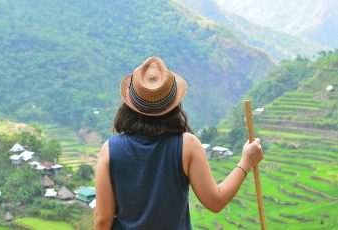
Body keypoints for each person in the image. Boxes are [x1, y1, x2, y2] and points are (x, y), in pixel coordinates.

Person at [94, 57, 264, 229]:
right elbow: (215, 201)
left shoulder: (109, 150)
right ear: (174, 102)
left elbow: (102, 220)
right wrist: (246, 162)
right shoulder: (187, 146)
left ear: (130, 104)